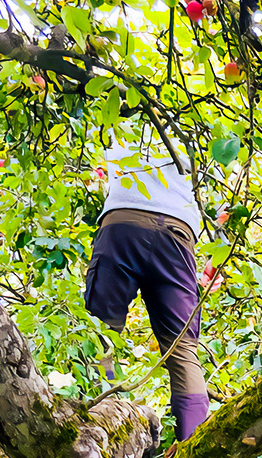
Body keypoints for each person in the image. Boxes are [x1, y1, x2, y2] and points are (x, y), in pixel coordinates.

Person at [84, 144, 208, 442]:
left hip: (123, 224)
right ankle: (194, 452)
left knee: (101, 335)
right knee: (182, 350)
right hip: (177, 235)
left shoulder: (121, 103)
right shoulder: (199, 120)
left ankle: (100, 435)